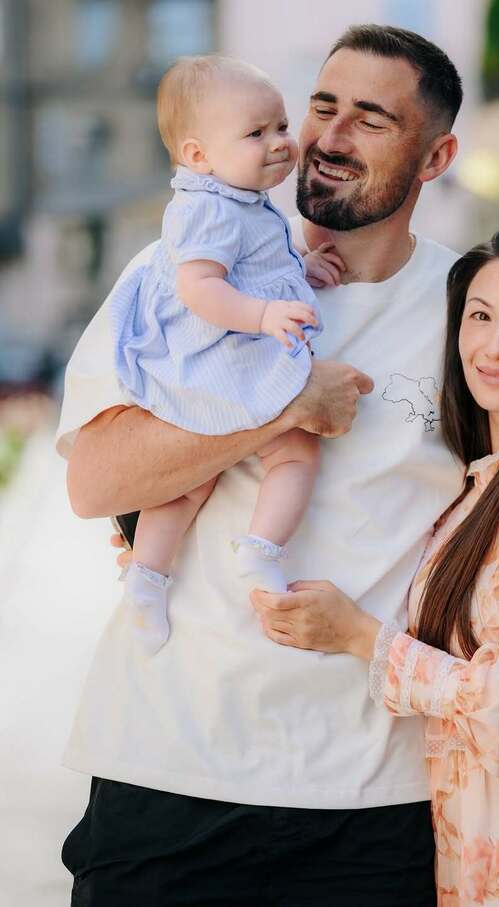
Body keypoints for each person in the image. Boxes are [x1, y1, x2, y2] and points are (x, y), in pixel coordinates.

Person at [59, 26, 499, 905]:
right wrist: (284, 406)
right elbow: (94, 482)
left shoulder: (471, 312)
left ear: (437, 155)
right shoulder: (183, 271)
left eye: (371, 119)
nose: (329, 137)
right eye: (323, 106)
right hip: (170, 767)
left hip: (377, 801)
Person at [251, 219, 499, 905]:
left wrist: (362, 638)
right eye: (481, 316)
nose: (496, 347)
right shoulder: (482, 484)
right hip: (475, 865)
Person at [107, 54, 347, 654]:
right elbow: (200, 288)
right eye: (255, 133)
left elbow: (258, 265)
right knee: (286, 454)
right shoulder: (207, 209)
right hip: (219, 354)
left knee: (198, 483)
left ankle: (154, 575)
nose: (279, 143)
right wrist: (265, 315)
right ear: (198, 155)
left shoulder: (241, 200)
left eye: (281, 126)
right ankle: (249, 553)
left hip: (228, 353)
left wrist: (303, 268)